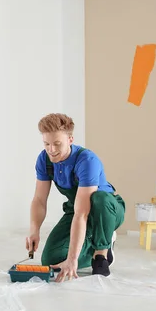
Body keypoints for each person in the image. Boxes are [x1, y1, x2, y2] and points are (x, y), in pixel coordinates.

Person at [25, 113, 126, 281]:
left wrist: (72, 260)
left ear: (70, 140)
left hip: (107, 210)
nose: (51, 149)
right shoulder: (44, 159)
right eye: (47, 144)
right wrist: (34, 231)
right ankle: (91, 244)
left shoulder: (87, 160)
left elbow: (82, 213)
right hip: (77, 208)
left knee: (100, 199)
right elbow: (39, 200)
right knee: (50, 259)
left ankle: (102, 252)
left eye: (57, 144)